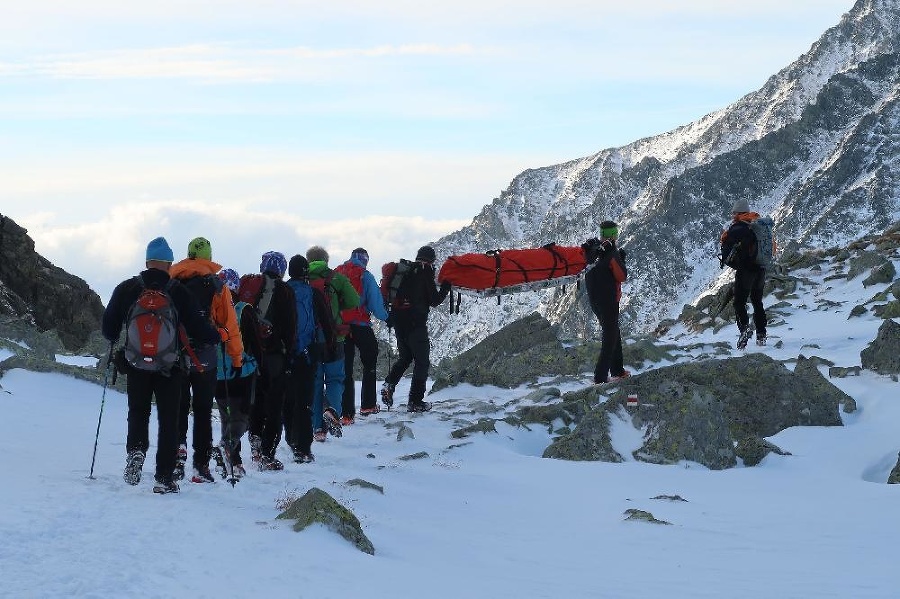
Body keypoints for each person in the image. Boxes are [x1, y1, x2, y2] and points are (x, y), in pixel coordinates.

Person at [102, 237, 220, 494]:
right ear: (169, 263)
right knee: (169, 419)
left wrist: (114, 338)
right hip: (170, 365)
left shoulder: (127, 288)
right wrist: (216, 336)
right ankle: (164, 477)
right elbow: (198, 328)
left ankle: (135, 452)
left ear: (147, 261)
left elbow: (108, 325)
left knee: (138, 411)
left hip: (136, 363)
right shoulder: (177, 290)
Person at [168, 237, 243, 484]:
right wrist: (236, 357)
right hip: (206, 355)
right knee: (201, 410)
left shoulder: (172, 279)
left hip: (176, 352)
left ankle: (177, 453)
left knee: (178, 405)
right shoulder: (216, 285)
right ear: (209, 257)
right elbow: (229, 324)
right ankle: (200, 465)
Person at [381, 245, 451, 412]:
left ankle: (388, 384)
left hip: (398, 322)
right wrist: (445, 288)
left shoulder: (404, 271)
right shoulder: (424, 272)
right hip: (415, 324)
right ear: (431, 260)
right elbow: (434, 300)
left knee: (405, 358)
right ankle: (415, 401)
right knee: (422, 362)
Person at [246, 251, 297, 471]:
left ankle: (255, 441)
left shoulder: (250, 285)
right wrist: (290, 354)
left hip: (249, 355)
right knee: (275, 406)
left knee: (256, 399)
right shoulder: (286, 291)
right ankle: (267, 453)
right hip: (275, 355)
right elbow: (290, 327)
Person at [282, 255, 334, 463]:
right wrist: (328, 347)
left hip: (284, 354)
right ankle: (303, 448)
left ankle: (290, 438)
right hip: (307, 353)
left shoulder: (281, 291)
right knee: (305, 400)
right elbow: (327, 322)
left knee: (288, 398)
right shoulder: (313, 294)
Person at [306, 246, 360, 441]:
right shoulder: (336, 278)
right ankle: (333, 411)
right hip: (334, 337)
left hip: (311, 340)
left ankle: (318, 429)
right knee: (336, 379)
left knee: (316, 383)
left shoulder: (303, 279)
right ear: (326, 260)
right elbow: (354, 300)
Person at [213, 267, 261, 480]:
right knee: (243, 416)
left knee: (227, 416)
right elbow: (254, 343)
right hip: (242, 372)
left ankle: (234, 461)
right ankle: (226, 447)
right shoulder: (243, 309)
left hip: (216, 373)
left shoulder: (210, 311)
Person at [335, 248, 389, 423]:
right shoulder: (365, 276)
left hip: (340, 326)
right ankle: (368, 405)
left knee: (346, 369)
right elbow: (376, 304)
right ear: (365, 259)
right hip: (360, 325)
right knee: (369, 360)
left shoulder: (336, 273)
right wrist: (387, 317)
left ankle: (346, 415)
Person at [584, 221, 630, 384]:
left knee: (613, 332)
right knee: (610, 338)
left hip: (594, 300)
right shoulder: (611, 252)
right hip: (609, 301)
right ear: (613, 235)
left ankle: (618, 370)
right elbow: (622, 276)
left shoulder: (592, 249)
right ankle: (600, 377)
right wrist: (621, 259)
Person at [720, 198, 768, 349]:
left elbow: (728, 253)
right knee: (757, 301)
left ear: (737, 213)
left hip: (746, 271)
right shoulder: (756, 225)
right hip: (761, 269)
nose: (732, 214)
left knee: (739, 302)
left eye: (733, 212)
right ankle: (761, 335)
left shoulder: (737, 228)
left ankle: (744, 330)